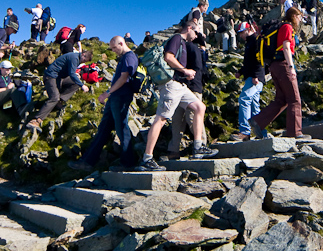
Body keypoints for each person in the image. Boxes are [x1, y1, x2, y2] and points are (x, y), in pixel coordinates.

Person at [135, 22, 217, 171]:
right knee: (161, 119)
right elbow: (168, 57)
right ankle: (147, 158)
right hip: (171, 85)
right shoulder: (177, 38)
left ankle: (198, 147)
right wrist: (185, 71)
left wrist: (184, 73)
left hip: (180, 85)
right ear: (190, 28)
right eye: (197, 32)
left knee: (200, 107)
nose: (197, 36)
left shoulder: (182, 42)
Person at [68, 36, 138, 172]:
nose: (113, 51)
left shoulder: (130, 57)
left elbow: (124, 78)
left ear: (121, 43)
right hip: (115, 98)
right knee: (104, 129)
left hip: (120, 97)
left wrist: (107, 93)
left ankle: (128, 163)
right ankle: (87, 162)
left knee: (122, 129)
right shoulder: (125, 57)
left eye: (114, 48)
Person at [249, 7, 309, 140]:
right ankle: (295, 133)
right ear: (293, 16)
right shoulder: (287, 27)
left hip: (274, 66)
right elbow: (286, 46)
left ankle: (258, 121)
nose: (300, 20)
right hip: (283, 65)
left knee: (281, 100)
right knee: (294, 99)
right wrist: (291, 67)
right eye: (299, 16)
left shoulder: (280, 26)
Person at [26, 49, 93, 132]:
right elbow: (71, 73)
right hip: (50, 76)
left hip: (59, 77)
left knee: (75, 83)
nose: (83, 62)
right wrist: (82, 85)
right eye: (84, 60)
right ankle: (36, 120)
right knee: (54, 97)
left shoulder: (75, 58)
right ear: (83, 54)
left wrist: (76, 77)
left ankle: (59, 101)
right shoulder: (74, 58)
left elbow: (70, 72)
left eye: (85, 61)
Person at [166, 32, 209, 158]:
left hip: (179, 86)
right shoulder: (195, 49)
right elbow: (198, 68)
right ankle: (201, 145)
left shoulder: (182, 47)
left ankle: (173, 150)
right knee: (194, 116)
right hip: (193, 87)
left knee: (177, 120)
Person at [232, 22, 265, 141]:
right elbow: (249, 62)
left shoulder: (255, 40)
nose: (241, 35)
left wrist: (255, 75)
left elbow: (259, 59)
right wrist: (241, 72)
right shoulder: (250, 42)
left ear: (248, 29)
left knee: (244, 99)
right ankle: (261, 133)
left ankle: (245, 131)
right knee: (254, 105)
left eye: (242, 32)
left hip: (254, 77)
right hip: (253, 76)